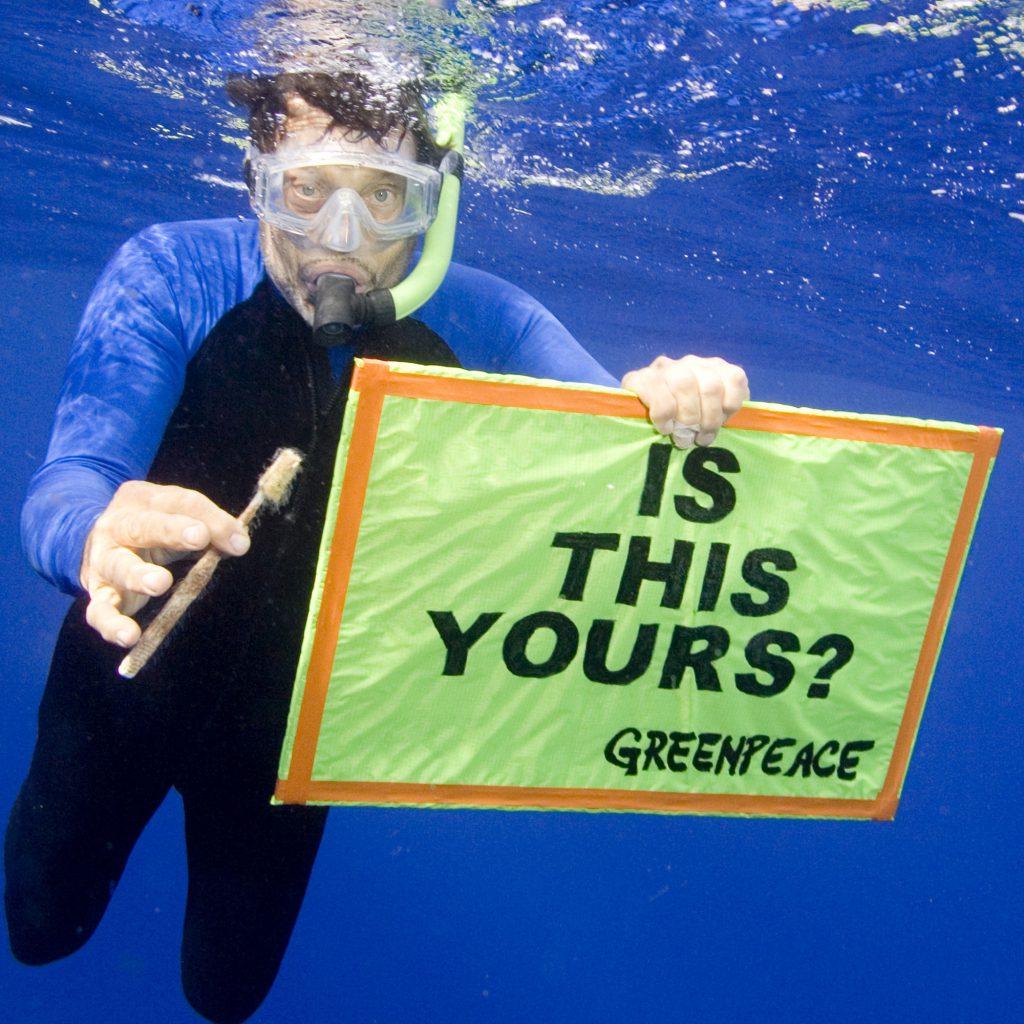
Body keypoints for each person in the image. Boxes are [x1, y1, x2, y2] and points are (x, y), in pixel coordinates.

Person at [5, 71, 748, 1024]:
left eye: (385, 196)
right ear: (255, 181)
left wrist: (674, 398)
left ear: (435, 206)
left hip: (300, 737)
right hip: (112, 698)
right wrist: (92, 533)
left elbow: (619, 449)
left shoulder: (493, 321)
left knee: (225, 995)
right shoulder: (171, 275)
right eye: (307, 190)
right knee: (39, 931)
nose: (341, 241)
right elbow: (68, 480)